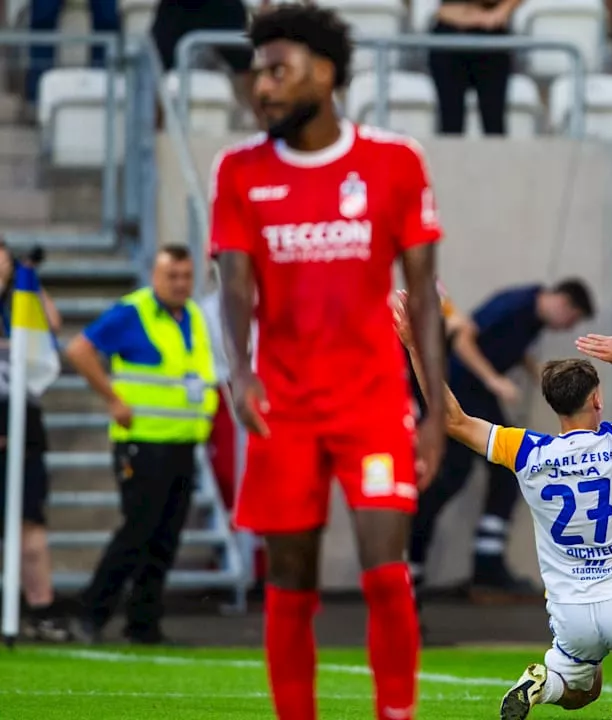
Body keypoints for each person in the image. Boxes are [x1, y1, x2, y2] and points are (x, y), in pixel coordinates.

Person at [210, 5, 449, 719]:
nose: (262, 87)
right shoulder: (240, 171)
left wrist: (435, 412)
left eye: (278, 70)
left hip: (374, 404)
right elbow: (234, 285)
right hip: (283, 405)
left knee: (385, 573)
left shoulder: (394, 161)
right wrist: (241, 372)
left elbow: (425, 297)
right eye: (257, 72)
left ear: (326, 72)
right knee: (290, 582)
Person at [396, 300, 612, 719]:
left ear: (553, 404)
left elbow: (452, 419)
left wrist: (416, 348)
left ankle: (544, 686)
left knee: (582, 690)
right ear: (597, 400)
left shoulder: (527, 452)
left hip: (572, 609)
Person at [63, 245, 219, 644]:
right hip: (143, 443)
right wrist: (113, 398)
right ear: (155, 275)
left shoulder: (195, 316)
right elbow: (79, 349)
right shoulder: (132, 312)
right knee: (137, 532)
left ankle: (144, 622)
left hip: (182, 443)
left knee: (165, 537)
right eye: (173, 276)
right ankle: (91, 614)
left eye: (186, 276)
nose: (181, 284)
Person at [409, 279, 594, 599]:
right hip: (465, 393)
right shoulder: (516, 305)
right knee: (448, 479)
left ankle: (482, 563)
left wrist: (534, 369)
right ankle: (418, 563)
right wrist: (495, 381)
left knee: (490, 474)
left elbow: (506, 343)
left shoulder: (531, 319)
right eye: (571, 321)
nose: (566, 329)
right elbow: (463, 336)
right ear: (563, 303)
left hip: (474, 395)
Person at [0, 241, 68, 642]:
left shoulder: (21, 306)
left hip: (24, 422)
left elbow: (53, 325)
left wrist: (30, 278)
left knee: (31, 522)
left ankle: (41, 608)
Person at [427, 0, 523, 135]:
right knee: (450, 122)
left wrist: (502, 10)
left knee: (494, 122)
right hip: (449, 37)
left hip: (492, 38)